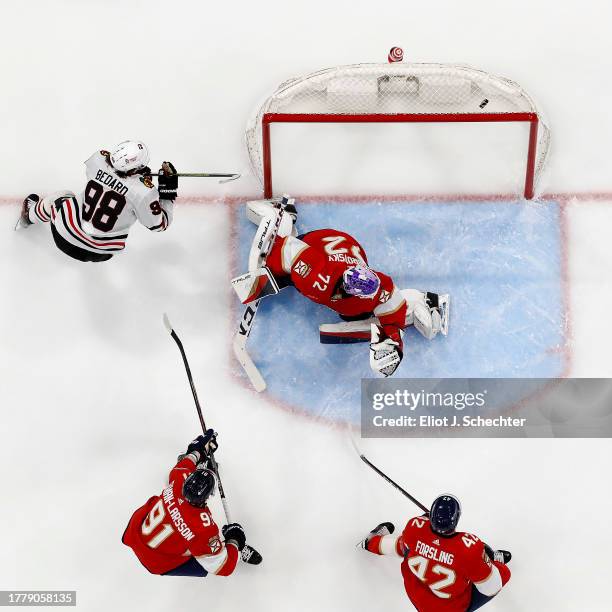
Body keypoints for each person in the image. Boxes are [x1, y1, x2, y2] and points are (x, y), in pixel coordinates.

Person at [245, 198, 448, 377]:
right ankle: (280, 214)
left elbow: (392, 312)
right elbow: (286, 249)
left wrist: (391, 344)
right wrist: (263, 271)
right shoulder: (317, 275)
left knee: (373, 312)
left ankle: (425, 302)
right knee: (272, 265)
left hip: (349, 248)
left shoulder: (379, 286)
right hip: (318, 242)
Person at [16, 140, 178, 262]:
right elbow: (159, 225)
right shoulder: (144, 192)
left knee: (63, 196)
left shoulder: (97, 161)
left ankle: (28, 216)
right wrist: (167, 191)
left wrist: (135, 176)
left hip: (64, 238)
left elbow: (112, 172)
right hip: (101, 253)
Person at [122, 431, 248, 577]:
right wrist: (234, 541)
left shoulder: (178, 476)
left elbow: (191, 456)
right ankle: (231, 552)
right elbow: (224, 568)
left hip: (135, 532)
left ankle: (218, 550)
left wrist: (200, 449)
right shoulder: (203, 529)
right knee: (204, 563)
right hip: (157, 561)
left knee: (194, 539)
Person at [360, 495, 511, 611]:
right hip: (448, 609)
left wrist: (426, 521)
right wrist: (485, 560)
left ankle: (369, 543)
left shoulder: (414, 526)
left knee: (407, 546)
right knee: (503, 573)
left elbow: (402, 548)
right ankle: (489, 562)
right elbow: (492, 587)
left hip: (416, 595)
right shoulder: (470, 549)